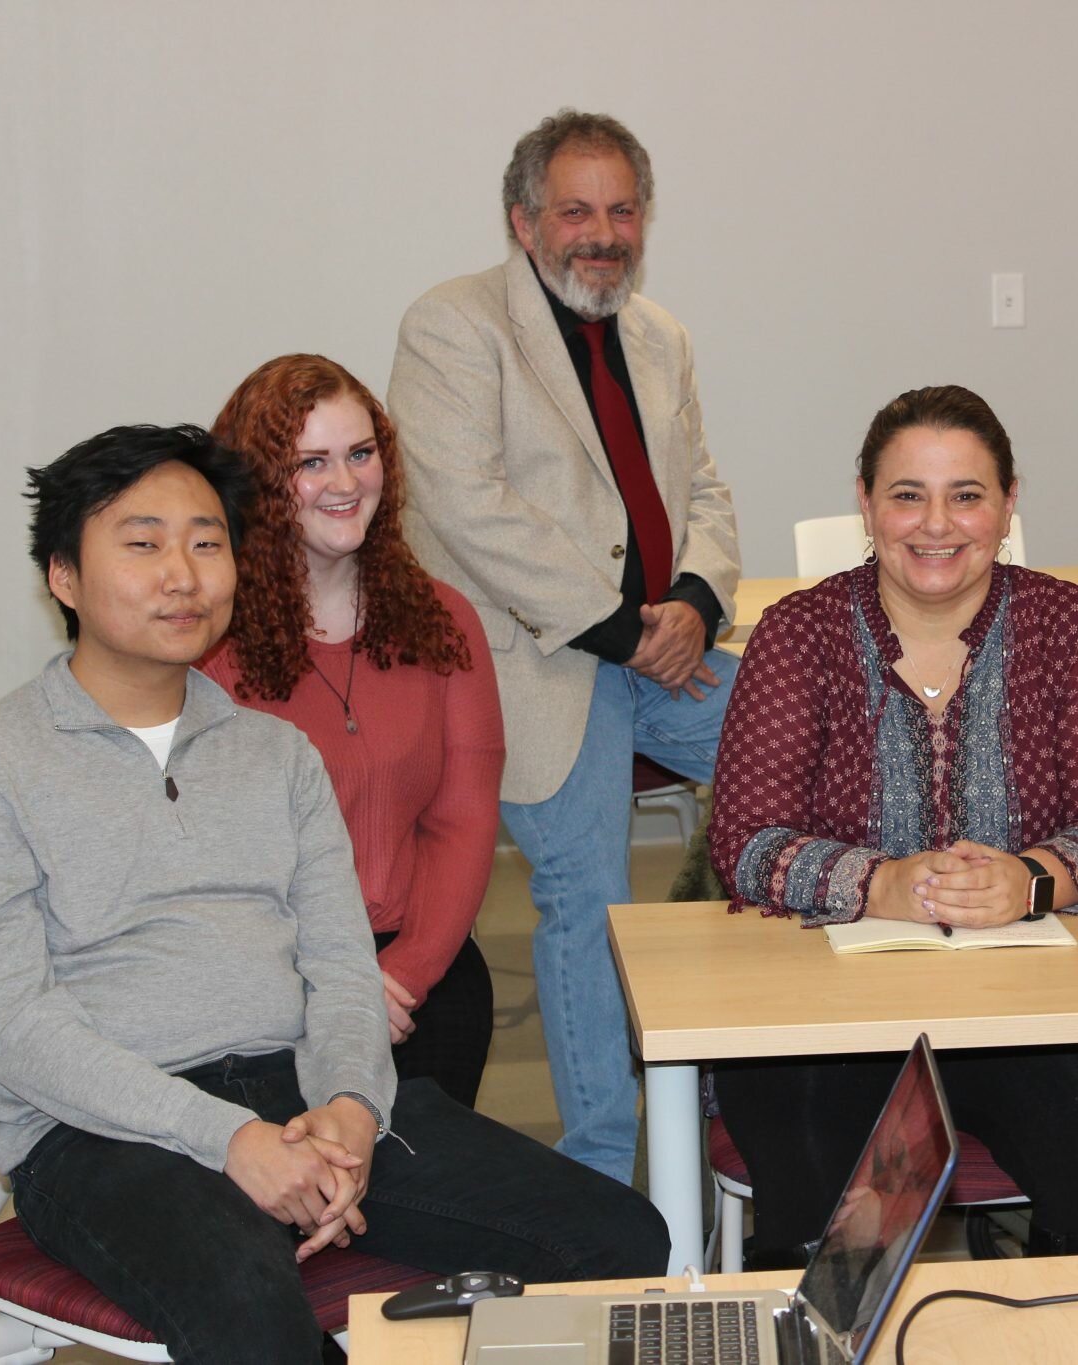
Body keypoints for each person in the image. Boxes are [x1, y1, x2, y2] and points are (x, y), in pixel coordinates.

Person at [0, 425, 667, 1365]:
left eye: (206, 542)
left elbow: (342, 965)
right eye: (142, 544)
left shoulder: (274, 753)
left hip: (302, 1089)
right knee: (252, 1317)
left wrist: (350, 1104)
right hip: (100, 1130)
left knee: (616, 1237)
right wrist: (231, 1139)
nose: (182, 575)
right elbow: (17, 1027)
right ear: (63, 576)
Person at [706, 385, 1078, 1269]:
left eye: (966, 494)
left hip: (1031, 1013)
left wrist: (1032, 879)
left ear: (1007, 504)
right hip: (827, 1026)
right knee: (829, 1209)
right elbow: (747, 843)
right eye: (907, 494)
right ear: (865, 503)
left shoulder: (1070, 626)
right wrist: (880, 884)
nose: (936, 524)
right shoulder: (798, 633)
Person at [388, 108, 740, 1184]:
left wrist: (691, 598)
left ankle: (758, 1078)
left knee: (818, 764)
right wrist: (622, 627)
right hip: (534, 663)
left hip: (662, 651)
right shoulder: (453, 327)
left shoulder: (659, 335)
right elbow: (464, 507)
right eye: (576, 209)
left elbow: (707, 491)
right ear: (523, 218)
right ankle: (599, 1167)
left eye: (621, 208)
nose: (603, 231)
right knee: (587, 895)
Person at [201, 354, 503, 1109]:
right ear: (261, 484)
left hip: (419, 977)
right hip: (272, 992)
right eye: (311, 462)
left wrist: (402, 973)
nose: (345, 484)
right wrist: (329, 990)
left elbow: (463, 820)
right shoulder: (206, 649)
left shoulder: (443, 620)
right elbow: (208, 868)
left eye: (360, 454)